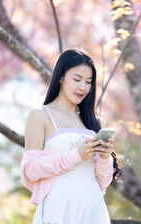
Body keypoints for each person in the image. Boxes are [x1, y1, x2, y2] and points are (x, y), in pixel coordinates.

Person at [20, 48, 122, 224]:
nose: (83, 87)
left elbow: (103, 181)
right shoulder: (40, 115)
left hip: (92, 210)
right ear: (60, 77)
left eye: (89, 82)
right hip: (58, 209)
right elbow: (30, 170)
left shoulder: (96, 123)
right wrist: (76, 156)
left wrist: (105, 158)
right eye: (77, 79)